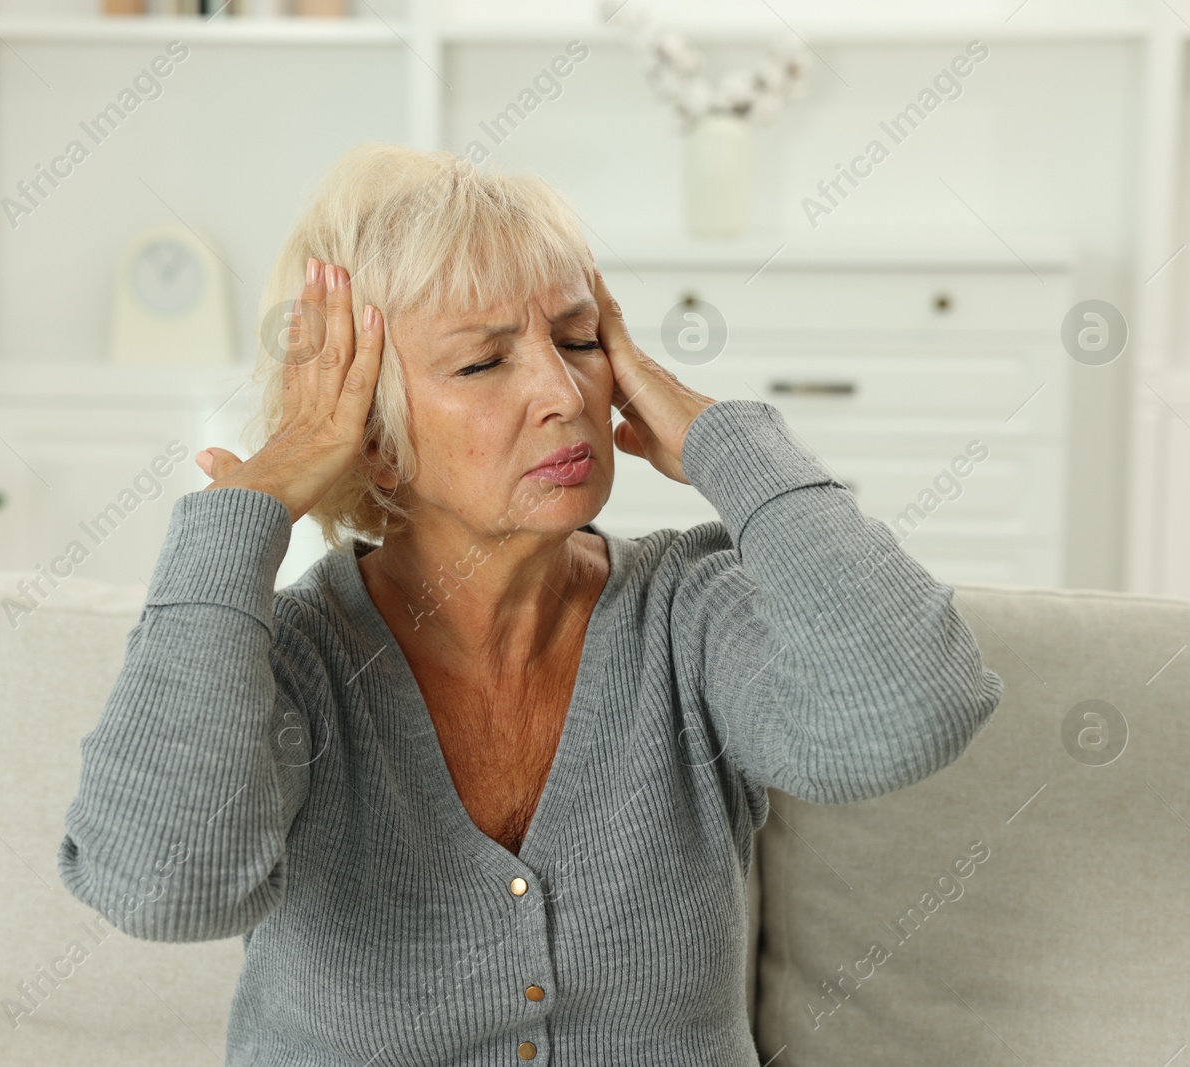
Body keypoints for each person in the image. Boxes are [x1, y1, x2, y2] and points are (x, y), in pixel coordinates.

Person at [57, 143, 1004, 1066]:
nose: (563, 391)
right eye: (482, 363)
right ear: (375, 441)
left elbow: (911, 712)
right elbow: (159, 887)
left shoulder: (688, 616)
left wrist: (728, 442)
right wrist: (243, 518)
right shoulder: (292, 664)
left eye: (580, 339)